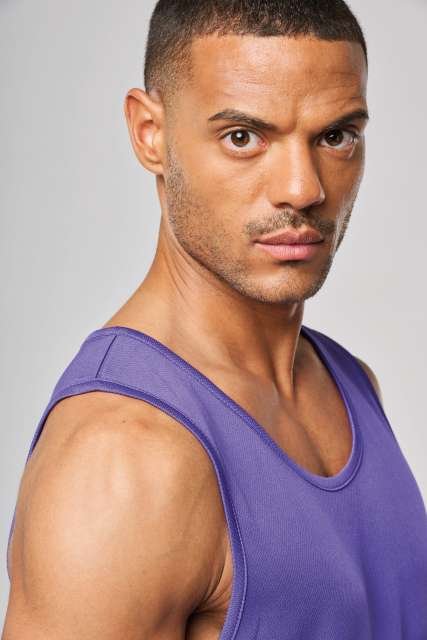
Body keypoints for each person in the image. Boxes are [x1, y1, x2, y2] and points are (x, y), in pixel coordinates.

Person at [3, 1, 427, 638]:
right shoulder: (120, 459)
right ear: (150, 133)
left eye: (335, 136)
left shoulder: (351, 384)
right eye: (243, 137)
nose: (303, 188)